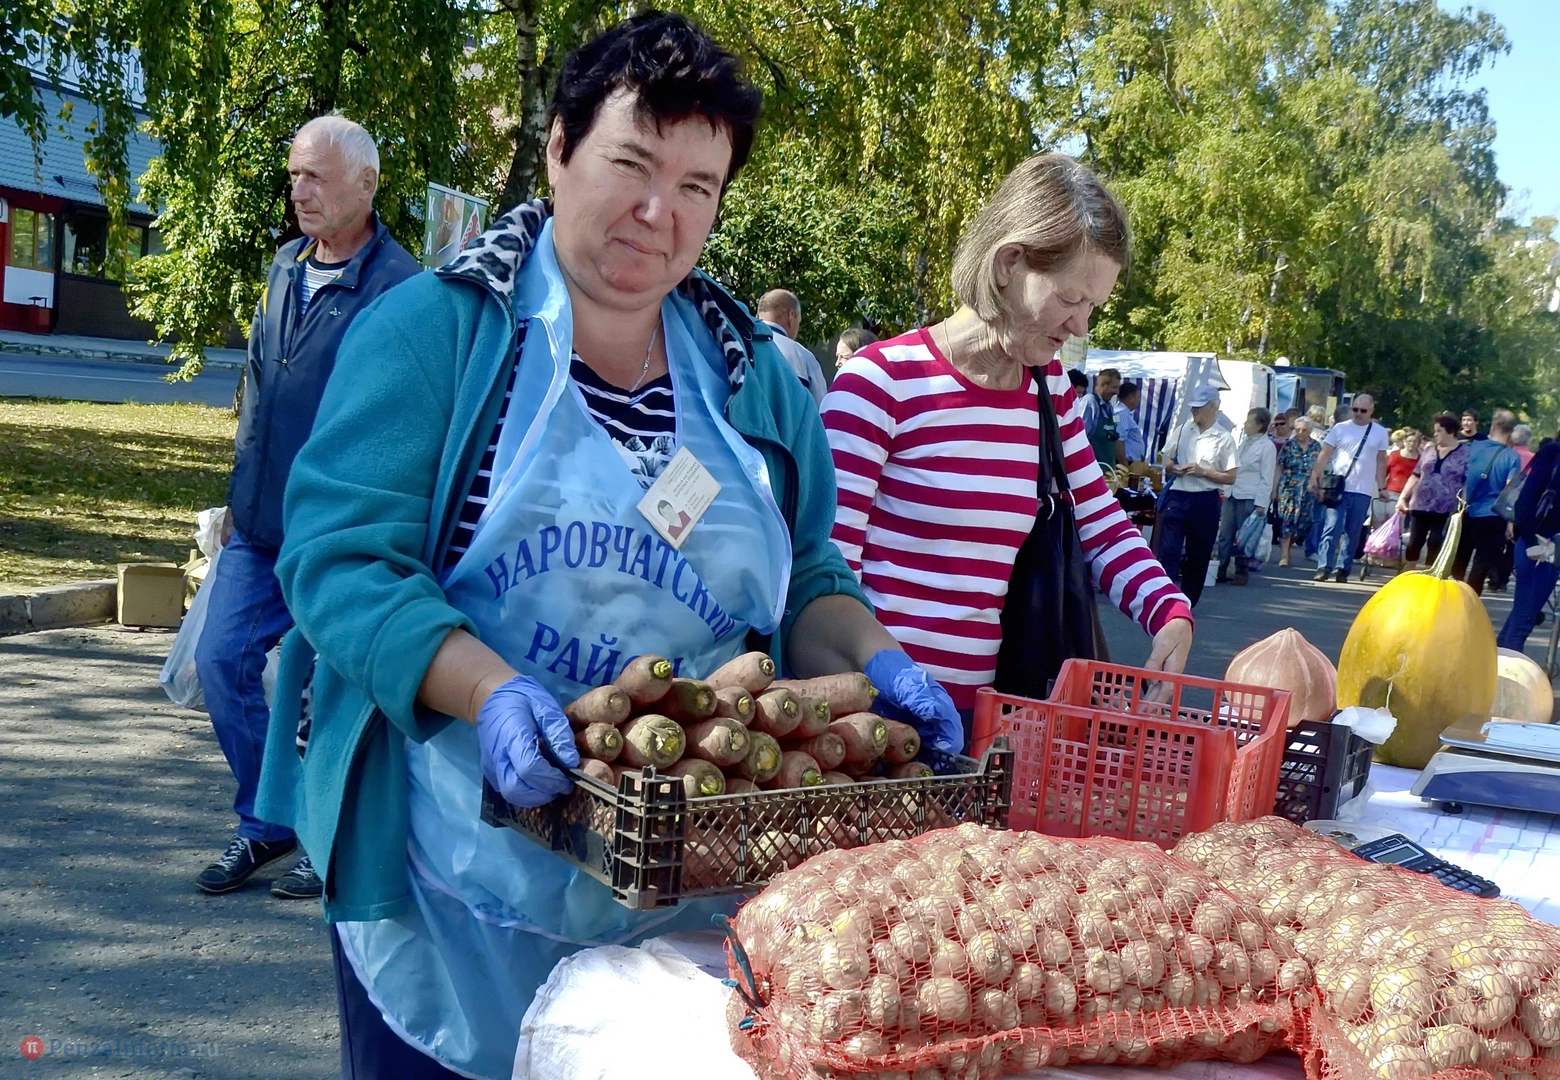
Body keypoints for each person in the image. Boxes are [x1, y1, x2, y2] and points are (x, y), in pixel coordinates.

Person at [253, 17, 964, 1078]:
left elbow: (806, 575)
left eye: (696, 187)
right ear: (558, 149)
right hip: (454, 879)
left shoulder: (754, 378)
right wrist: (489, 690)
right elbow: (342, 563)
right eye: (631, 164)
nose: (657, 212)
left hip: (685, 901)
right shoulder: (434, 334)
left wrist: (876, 658)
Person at [821, 152, 1194, 727]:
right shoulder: (879, 384)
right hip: (874, 723)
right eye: (1070, 299)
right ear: (1007, 264)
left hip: (993, 724)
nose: (1081, 325)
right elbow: (826, 574)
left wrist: (1168, 610)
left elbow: (1098, 522)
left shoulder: (1049, 390)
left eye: (1093, 306)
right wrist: (887, 687)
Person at [193, 115, 419, 902]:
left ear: (367, 183)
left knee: (330, 693)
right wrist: (238, 491)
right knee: (220, 659)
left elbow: (408, 419)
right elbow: (258, 382)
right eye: (294, 175)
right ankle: (268, 820)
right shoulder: (286, 266)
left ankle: (325, 837)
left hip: (344, 530)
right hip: (261, 521)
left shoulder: (402, 288)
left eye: (315, 176)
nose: (299, 191)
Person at [1158, 385, 1238, 604]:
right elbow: (1167, 459)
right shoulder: (1183, 429)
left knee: (1198, 555)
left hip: (1205, 499)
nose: (1194, 410)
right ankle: (1164, 599)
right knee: (1168, 550)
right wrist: (1173, 468)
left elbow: (1231, 477)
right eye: (1193, 406)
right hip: (1178, 495)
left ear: (1214, 407)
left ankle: (1188, 601)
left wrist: (1204, 472)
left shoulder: (1224, 438)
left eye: (1199, 407)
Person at [1308, 393, 1389, 583]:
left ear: (1371, 411)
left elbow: (1381, 461)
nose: (1358, 413)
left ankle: (1342, 569)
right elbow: (1325, 454)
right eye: (1355, 409)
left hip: (1363, 489)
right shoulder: (1340, 428)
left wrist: (1382, 486)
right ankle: (1323, 567)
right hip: (1338, 487)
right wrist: (1314, 476)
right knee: (1332, 526)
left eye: (1363, 410)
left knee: (1352, 531)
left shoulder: (1379, 432)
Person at [1497, 430, 1560, 650]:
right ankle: (1508, 667)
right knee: (1524, 620)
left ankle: (1497, 660)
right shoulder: (1552, 453)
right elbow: (1525, 502)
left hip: (1552, 548)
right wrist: (1532, 543)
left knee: (1523, 616)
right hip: (1536, 544)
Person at [1453, 409, 1523, 595]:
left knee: (1459, 560)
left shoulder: (1473, 448)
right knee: (1481, 566)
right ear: (1512, 431)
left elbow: (1461, 479)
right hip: (1494, 517)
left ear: (1493, 425)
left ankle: (1451, 599)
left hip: (1467, 512)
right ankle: (1470, 603)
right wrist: (1510, 523)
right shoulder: (1512, 457)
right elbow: (1510, 491)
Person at [1396, 413, 1469, 568]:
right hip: (1421, 503)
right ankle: (1408, 573)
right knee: (1414, 541)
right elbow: (1415, 475)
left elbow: (1467, 481)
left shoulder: (1465, 454)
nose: (1435, 434)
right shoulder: (1429, 451)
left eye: (1439, 431)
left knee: (1435, 540)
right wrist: (1402, 497)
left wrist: (1464, 505)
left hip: (1446, 506)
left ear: (1450, 431)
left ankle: (1430, 572)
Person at [1216, 408, 1276, 585]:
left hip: (1250, 496)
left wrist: (1262, 503)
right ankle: (1221, 568)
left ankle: (1241, 571)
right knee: (1225, 534)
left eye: (1249, 421)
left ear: (1260, 425)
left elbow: (1267, 477)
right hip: (1232, 493)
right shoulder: (1243, 443)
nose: (1245, 424)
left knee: (1244, 536)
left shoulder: (1267, 447)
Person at [756, 287, 828, 404]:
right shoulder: (803, 357)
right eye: (799, 321)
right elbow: (820, 407)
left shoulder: (738, 346)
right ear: (791, 316)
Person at [1273, 415, 1320, 567]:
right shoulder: (1288, 446)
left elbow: (1320, 468)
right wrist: (1274, 490)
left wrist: (1320, 487)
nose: (1300, 432)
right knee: (1286, 520)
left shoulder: (1316, 446)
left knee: (1303, 524)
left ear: (1310, 431)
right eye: (1297, 429)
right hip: (1288, 489)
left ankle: (1290, 545)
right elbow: (1279, 467)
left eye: (1303, 430)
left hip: (1308, 491)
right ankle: (1284, 555)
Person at [1082, 366, 1123, 467]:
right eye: (1115, 387)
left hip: (1107, 470)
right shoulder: (1090, 402)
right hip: (1091, 468)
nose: (1117, 392)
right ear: (1104, 385)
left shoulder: (1109, 407)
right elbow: (1080, 436)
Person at [1114, 380, 1146, 464]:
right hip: (1128, 462)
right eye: (1137, 397)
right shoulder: (1122, 414)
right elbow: (1118, 441)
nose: (1138, 400)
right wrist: (1125, 465)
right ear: (1130, 398)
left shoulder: (1120, 412)